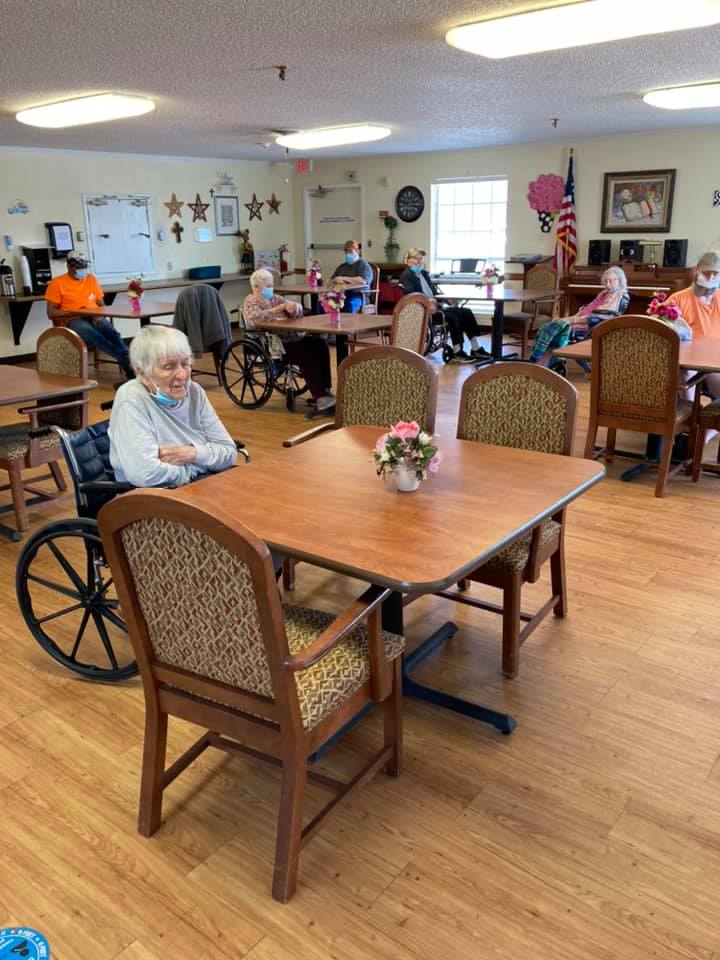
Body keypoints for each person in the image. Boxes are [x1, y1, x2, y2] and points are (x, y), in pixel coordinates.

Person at [109, 325, 237, 487]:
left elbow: (229, 452)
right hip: (153, 499)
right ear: (142, 373)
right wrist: (197, 468)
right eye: (169, 367)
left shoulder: (194, 392)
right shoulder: (131, 399)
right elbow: (146, 475)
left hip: (201, 485)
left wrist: (192, 453)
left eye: (185, 364)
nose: (182, 375)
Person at [244, 268, 335, 411]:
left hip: (291, 337)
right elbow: (256, 319)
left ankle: (325, 389)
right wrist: (279, 309)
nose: (271, 288)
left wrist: (294, 307)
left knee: (320, 344)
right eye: (268, 286)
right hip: (274, 344)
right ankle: (320, 397)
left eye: (271, 285)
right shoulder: (251, 301)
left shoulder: (275, 298)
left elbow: (294, 309)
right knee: (305, 354)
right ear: (256, 287)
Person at [44, 250, 132, 378]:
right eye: (79, 267)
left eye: (84, 267)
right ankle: (129, 362)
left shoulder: (91, 279)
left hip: (93, 316)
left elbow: (101, 305)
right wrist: (73, 312)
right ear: (69, 266)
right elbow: (51, 313)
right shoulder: (57, 283)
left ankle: (128, 364)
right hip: (72, 319)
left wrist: (99, 315)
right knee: (94, 334)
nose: (82, 270)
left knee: (108, 329)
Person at [529, 265, 630, 367]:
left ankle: (540, 361)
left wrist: (572, 320)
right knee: (549, 326)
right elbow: (589, 308)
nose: (608, 284)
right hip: (581, 319)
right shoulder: (604, 293)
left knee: (552, 328)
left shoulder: (619, 295)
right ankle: (543, 361)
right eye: (606, 281)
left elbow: (604, 315)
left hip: (590, 324)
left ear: (619, 280)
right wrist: (570, 318)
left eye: (612, 281)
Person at [399, 248, 487, 362]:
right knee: (453, 316)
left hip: (435, 306)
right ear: (408, 260)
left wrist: (448, 300)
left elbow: (434, 292)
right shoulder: (407, 275)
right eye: (416, 258)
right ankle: (457, 351)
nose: (419, 261)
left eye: (420, 258)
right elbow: (411, 295)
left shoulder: (423, 274)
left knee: (466, 312)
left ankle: (476, 348)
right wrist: (428, 302)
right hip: (424, 310)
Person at [668, 249, 720, 396]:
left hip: (715, 357)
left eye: (715, 274)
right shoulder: (678, 299)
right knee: (685, 375)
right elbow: (659, 324)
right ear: (697, 270)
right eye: (706, 273)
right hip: (690, 358)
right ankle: (690, 414)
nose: (710, 277)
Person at [330, 240, 373, 313]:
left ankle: (350, 324)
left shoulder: (363, 265)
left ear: (357, 252)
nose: (347, 254)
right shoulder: (342, 267)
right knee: (323, 304)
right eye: (346, 251)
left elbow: (363, 281)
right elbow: (332, 280)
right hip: (341, 294)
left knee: (349, 304)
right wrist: (336, 280)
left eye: (350, 251)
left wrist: (343, 278)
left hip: (359, 295)